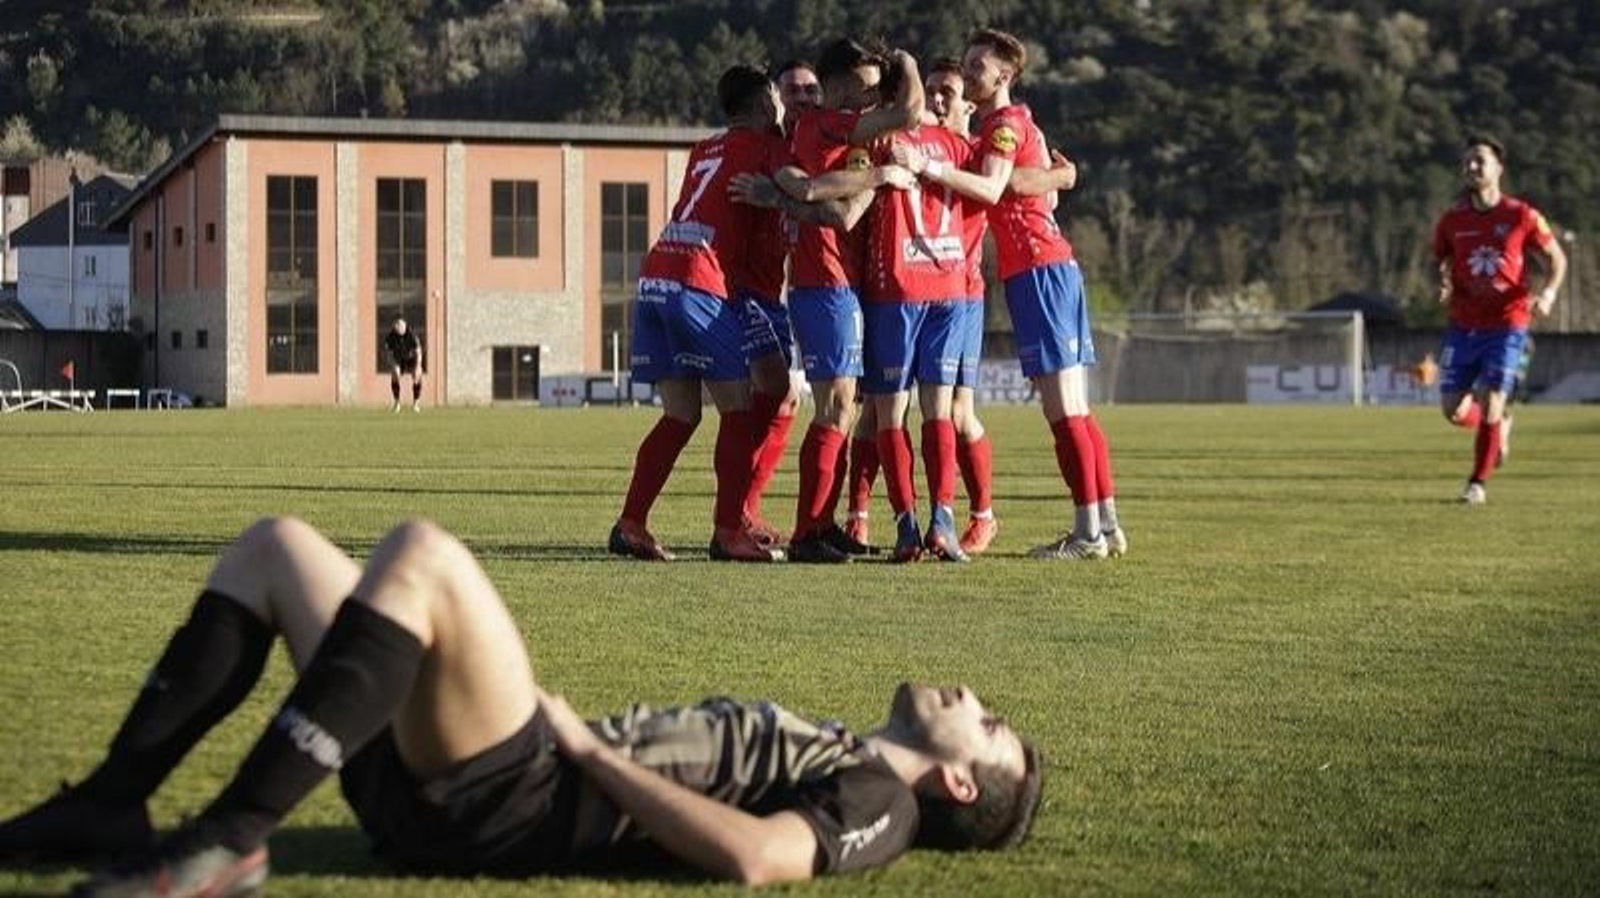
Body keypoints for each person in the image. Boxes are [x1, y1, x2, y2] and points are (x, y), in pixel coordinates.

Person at [0, 517, 1044, 895]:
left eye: (986, 725)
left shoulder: (885, 801)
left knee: (426, 557)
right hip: (473, 779)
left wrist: (589, 750)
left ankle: (233, 837)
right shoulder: (850, 746)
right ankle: (111, 800)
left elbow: (760, 859)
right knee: (277, 548)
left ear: (958, 779)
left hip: (516, 798)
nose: (974, 699)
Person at [894, 28, 1125, 560]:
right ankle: (1104, 524)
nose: (969, 72)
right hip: (1052, 268)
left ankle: (1088, 533)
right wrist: (1058, 177)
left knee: (1064, 411)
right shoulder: (1018, 124)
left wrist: (929, 167)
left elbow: (996, 187)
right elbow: (1030, 186)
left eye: (978, 66)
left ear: (1004, 76)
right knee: (1078, 410)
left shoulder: (1003, 125)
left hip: (1039, 272)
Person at [607, 65, 797, 563]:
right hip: (699, 279)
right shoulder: (763, 147)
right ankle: (729, 529)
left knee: (681, 413)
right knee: (737, 407)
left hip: (657, 272)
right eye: (777, 99)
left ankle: (632, 523)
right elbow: (801, 181)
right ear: (763, 106)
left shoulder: (704, 148)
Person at [1432, 134, 1566, 504]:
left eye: (1479, 160)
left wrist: (1549, 294)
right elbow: (1439, 260)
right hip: (1463, 324)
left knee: (1493, 398)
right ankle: (1500, 429)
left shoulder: (1522, 215)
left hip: (1509, 323)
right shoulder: (1452, 220)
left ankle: (1477, 484)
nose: (1472, 167)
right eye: (1466, 162)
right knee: (1453, 410)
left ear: (1498, 168)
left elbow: (1557, 259)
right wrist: (1442, 281)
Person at [384, 318, 423, 413]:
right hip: (399, 359)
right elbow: (389, 355)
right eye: (396, 324)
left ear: (405, 324)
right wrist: (393, 366)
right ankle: (397, 403)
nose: (399, 326)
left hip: (411, 358)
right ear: (394, 326)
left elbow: (418, 352)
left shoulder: (412, 335)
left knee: (417, 375)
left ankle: (416, 403)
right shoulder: (390, 337)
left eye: (401, 324)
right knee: (395, 374)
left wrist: (418, 366)